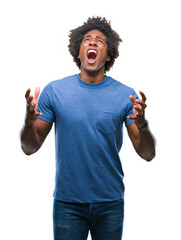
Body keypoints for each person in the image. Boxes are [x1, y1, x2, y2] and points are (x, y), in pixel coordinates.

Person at [20, 16, 156, 240]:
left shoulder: (126, 95)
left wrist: (142, 125)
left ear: (109, 54)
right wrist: (28, 121)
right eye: (87, 40)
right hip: (68, 204)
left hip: (110, 203)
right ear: (78, 51)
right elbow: (29, 147)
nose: (92, 43)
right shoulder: (55, 91)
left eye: (100, 41)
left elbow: (148, 153)